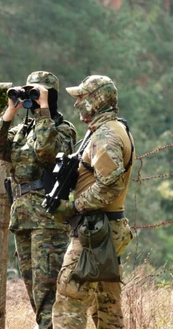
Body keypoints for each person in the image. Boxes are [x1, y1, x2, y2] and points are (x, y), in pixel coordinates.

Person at [0, 71, 77, 329]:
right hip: (23, 217)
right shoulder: (20, 131)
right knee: (34, 293)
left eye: (38, 93)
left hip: (48, 220)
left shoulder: (62, 129)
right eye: (31, 93)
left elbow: (47, 154)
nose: (33, 99)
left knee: (47, 293)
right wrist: (10, 111)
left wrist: (44, 110)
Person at [51, 75, 135, 329]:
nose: (77, 104)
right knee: (106, 305)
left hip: (97, 231)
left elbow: (110, 187)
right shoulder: (110, 129)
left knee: (70, 299)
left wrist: (73, 207)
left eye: (82, 98)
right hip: (106, 228)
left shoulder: (106, 135)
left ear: (97, 100)